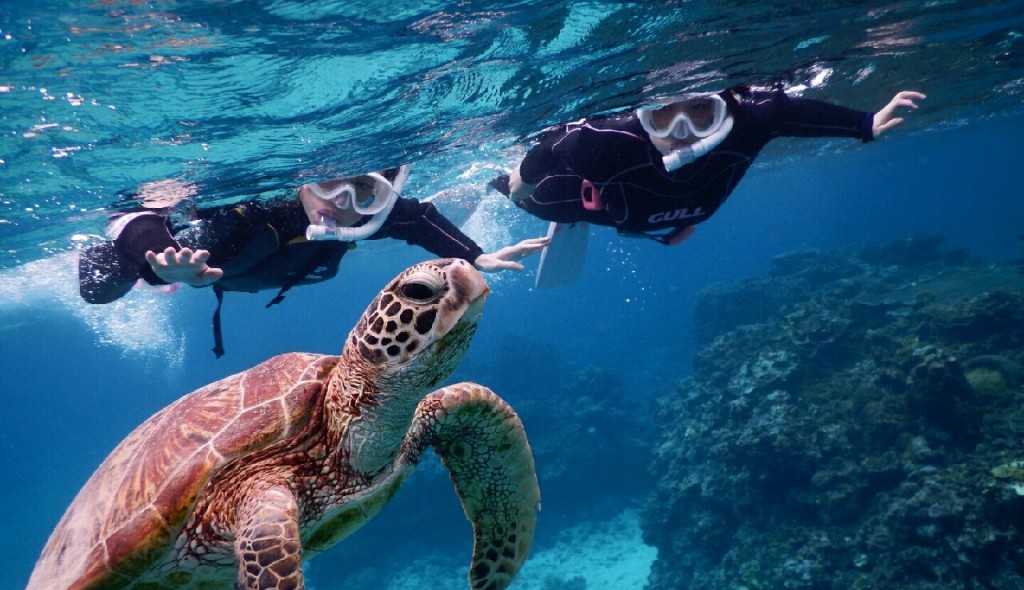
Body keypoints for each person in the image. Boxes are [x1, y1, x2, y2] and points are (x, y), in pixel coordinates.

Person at [79, 166, 548, 356]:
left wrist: (476, 256)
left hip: (235, 274)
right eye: (328, 185)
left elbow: (418, 219)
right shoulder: (250, 215)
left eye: (362, 192)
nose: (338, 205)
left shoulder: (363, 216)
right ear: (305, 181)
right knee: (99, 287)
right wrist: (161, 266)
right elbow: (157, 232)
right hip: (176, 250)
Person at [493, 84, 926, 246]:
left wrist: (864, 124)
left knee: (655, 218)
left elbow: (788, 112)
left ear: (722, 110)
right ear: (644, 115)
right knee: (540, 202)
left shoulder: (749, 121)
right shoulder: (602, 143)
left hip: (662, 216)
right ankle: (494, 184)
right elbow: (551, 147)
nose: (682, 131)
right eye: (665, 114)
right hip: (601, 205)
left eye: (700, 113)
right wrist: (516, 184)